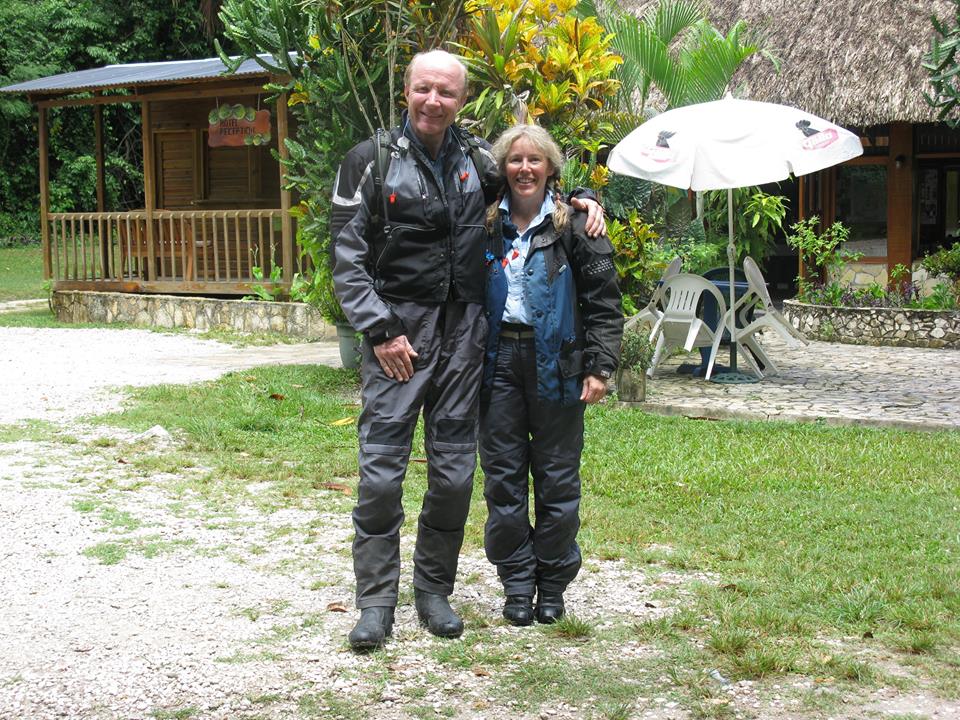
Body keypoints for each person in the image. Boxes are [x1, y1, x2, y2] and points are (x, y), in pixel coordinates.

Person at [330, 49, 606, 651]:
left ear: (460, 99)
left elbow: (532, 176)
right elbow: (346, 259)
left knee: (454, 476)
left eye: (446, 93)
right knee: (381, 476)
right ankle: (376, 603)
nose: (434, 101)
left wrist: (582, 195)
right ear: (406, 91)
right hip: (396, 341)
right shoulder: (369, 161)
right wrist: (380, 330)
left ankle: (433, 591)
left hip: (465, 339)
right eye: (424, 89)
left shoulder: (477, 160)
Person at [479, 124, 622, 626]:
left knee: (558, 481)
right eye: (515, 159)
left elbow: (603, 304)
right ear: (503, 168)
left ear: (551, 169)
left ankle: (553, 583)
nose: (524, 168)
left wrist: (601, 366)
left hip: (558, 364)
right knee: (504, 480)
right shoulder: (483, 222)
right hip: (496, 365)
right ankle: (517, 583)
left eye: (535, 160)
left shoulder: (576, 227)